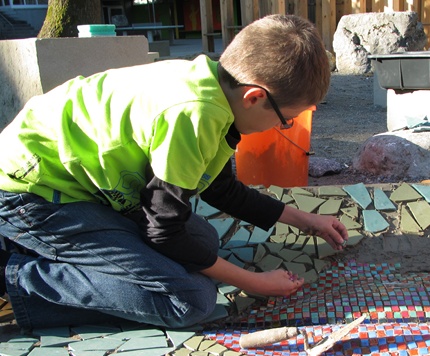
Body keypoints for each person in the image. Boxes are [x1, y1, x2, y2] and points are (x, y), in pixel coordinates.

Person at [0, 14, 348, 331]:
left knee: (204, 242)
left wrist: (305, 220)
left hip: (79, 185)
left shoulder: (213, 85)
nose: (281, 127)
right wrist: (252, 281)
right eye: (284, 119)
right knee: (189, 300)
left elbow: (219, 189)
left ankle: (47, 248)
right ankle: (15, 278)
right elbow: (164, 232)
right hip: (31, 193)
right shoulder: (192, 115)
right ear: (254, 97)